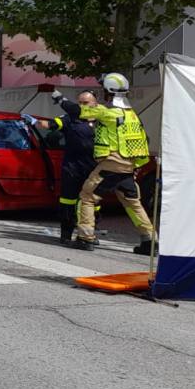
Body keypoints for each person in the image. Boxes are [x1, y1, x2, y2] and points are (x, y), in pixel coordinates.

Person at [60, 73, 155, 254]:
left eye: (103, 90)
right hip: (128, 166)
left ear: (108, 92)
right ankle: (150, 240)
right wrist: (136, 166)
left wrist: (60, 99)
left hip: (111, 164)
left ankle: (85, 238)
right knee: (133, 203)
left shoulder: (108, 112)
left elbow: (78, 111)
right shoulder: (132, 116)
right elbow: (144, 140)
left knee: (87, 197)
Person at [37, 92, 99, 245]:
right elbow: (51, 125)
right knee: (68, 201)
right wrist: (36, 122)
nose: (82, 105)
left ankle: (88, 234)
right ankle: (66, 234)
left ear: (95, 104)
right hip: (72, 167)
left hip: (94, 168)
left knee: (92, 203)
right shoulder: (70, 118)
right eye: (80, 102)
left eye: (86, 102)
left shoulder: (103, 119)